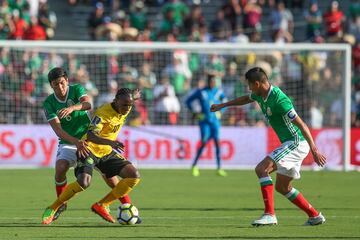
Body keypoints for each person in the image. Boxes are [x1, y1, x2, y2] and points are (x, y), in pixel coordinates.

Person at [210, 67, 327, 226]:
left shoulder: (280, 100)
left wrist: (314, 149)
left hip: (296, 142)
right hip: (291, 143)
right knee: (282, 187)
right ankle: (314, 216)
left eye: (250, 85)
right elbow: (246, 99)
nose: (249, 89)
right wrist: (223, 105)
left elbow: (302, 124)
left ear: (257, 83)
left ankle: (269, 214)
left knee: (261, 169)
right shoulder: (260, 95)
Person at [42, 68, 137, 224]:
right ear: (51, 86)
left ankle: (127, 206)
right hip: (69, 142)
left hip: (89, 141)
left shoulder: (76, 89)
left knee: (111, 178)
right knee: (60, 168)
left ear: (66, 80)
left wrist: (73, 107)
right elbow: (59, 131)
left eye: (62, 83)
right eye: (55, 84)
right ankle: (60, 205)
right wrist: (76, 142)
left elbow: (88, 104)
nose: (60, 87)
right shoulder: (49, 103)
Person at [185, 74, 227, 177]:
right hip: (204, 121)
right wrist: (195, 112)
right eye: (211, 81)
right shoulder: (201, 91)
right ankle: (194, 165)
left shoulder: (218, 92)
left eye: (215, 81)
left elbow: (225, 101)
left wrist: (221, 111)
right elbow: (188, 101)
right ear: (208, 82)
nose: (213, 83)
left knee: (217, 142)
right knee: (204, 141)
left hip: (215, 122)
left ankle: (219, 168)